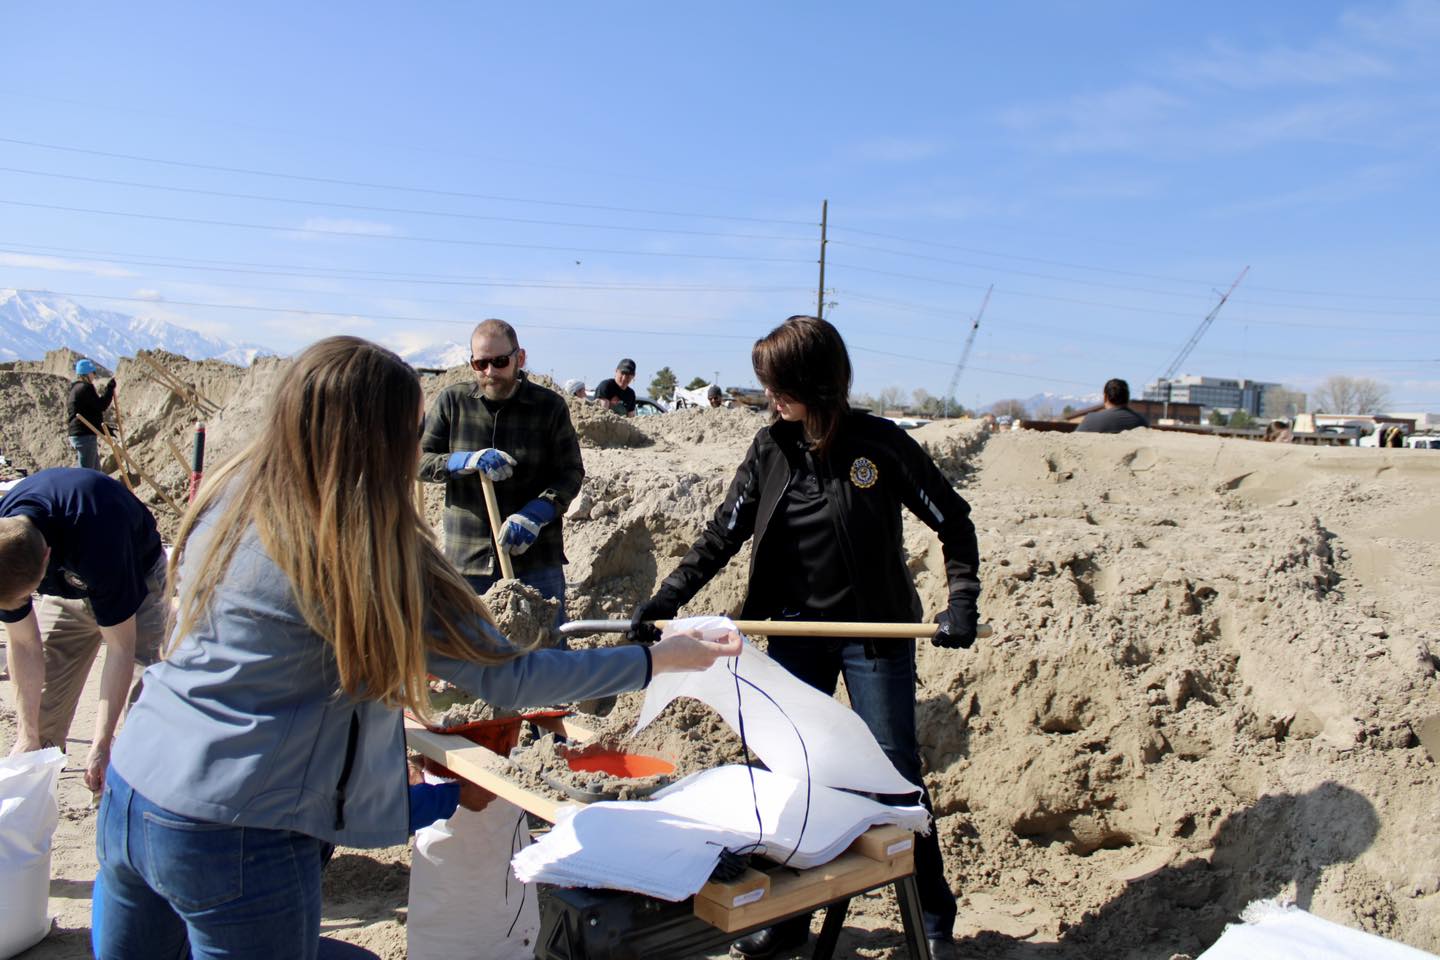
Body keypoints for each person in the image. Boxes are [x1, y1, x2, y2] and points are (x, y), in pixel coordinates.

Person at [94, 336, 740, 960]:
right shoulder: (367, 552)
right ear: (384, 440)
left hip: (135, 783)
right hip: (235, 827)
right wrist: (661, 660)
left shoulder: (233, 495)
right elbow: (511, 681)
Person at [628, 316, 980, 960]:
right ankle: (788, 918)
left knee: (895, 775)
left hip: (873, 636)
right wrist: (666, 600)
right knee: (791, 774)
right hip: (792, 634)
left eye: (779, 386)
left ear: (815, 384)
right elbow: (721, 535)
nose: (770, 399)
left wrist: (962, 602)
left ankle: (931, 909)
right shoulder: (770, 449)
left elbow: (954, 522)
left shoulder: (882, 444)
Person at [0, 468, 167, 792]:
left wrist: (102, 744)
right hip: (70, 587)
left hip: (135, 578)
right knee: (42, 708)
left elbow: (121, 649)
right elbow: (23, 643)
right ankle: (33, 803)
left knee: (141, 702)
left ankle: (121, 794)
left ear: (48, 557)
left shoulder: (100, 542)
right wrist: (27, 734)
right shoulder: (7, 544)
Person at [419, 320, 584, 619]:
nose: (490, 372)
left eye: (499, 362)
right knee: (467, 655)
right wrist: (462, 461)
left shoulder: (549, 407)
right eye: (480, 363)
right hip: (468, 562)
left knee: (544, 653)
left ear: (519, 359)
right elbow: (419, 460)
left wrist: (538, 512)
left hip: (536, 563)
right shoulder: (453, 402)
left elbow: (570, 472)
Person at [67, 358, 116, 470]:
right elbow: (101, 406)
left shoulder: (75, 388)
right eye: (93, 372)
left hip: (80, 434)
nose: (94, 375)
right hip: (84, 435)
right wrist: (109, 390)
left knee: (95, 472)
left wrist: (102, 428)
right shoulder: (85, 388)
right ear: (87, 373)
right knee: (87, 472)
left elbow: (89, 412)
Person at [1075, 378, 1149, 433]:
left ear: (1105, 397)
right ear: (1127, 398)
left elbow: (1074, 442)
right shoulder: (1141, 422)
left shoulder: (1091, 420)